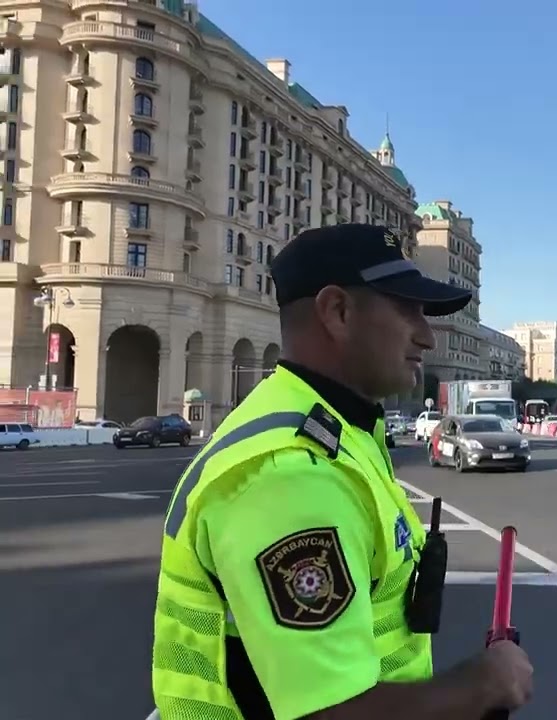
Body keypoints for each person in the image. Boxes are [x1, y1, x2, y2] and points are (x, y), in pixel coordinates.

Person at [151, 224, 533, 720]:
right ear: (338, 311)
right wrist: (485, 683)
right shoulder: (289, 476)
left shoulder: (336, 429)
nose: (425, 335)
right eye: (407, 309)